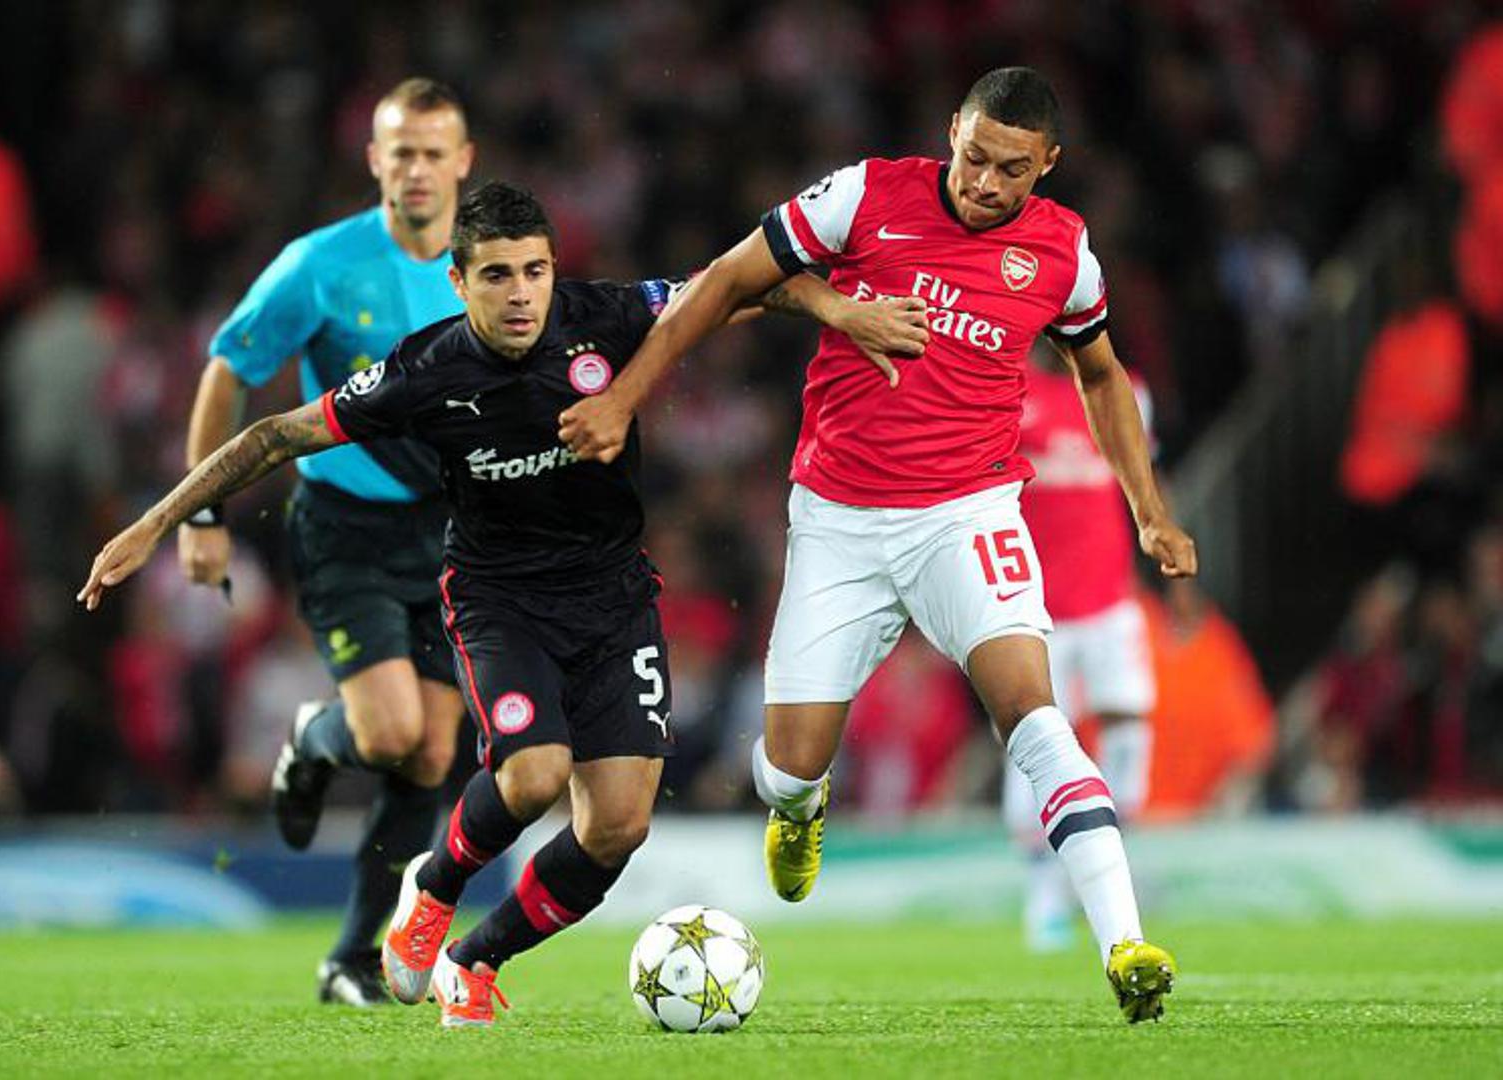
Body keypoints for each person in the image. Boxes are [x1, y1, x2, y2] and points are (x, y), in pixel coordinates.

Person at [81, 181, 926, 1026]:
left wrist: (840, 309)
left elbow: (743, 283)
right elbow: (275, 435)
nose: (521, 293)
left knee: (618, 827)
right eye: (496, 275)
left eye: (534, 271)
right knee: (533, 775)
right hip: (500, 599)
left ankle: (475, 959)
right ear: (459, 282)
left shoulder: (608, 315)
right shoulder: (424, 370)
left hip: (613, 596)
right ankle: (436, 884)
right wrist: (155, 524)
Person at [559, 66, 1198, 1023]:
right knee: (788, 764)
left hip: (968, 514)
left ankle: (1124, 945)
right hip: (839, 521)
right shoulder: (866, 195)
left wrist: (1147, 509)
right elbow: (731, 278)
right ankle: (799, 807)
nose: (985, 183)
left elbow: (1100, 374)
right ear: (952, 131)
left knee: (1034, 715)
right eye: (974, 158)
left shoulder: (1065, 253)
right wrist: (623, 398)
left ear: (1049, 165)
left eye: (1011, 170)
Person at [178, 78, 475, 1005]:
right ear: (374, 159)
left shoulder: (487, 268)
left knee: (432, 756)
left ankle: (351, 956)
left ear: (463, 162)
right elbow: (228, 369)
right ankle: (314, 737)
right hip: (346, 527)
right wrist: (201, 516)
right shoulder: (318, 265)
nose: (417, 169)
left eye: (433, 153)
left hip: (450, 534)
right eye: (401, 152)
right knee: (389, 733)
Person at [1004, 341, 1157, 952]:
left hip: (1111, 598)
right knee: (1040, 741)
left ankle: (1106, 869)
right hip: (1036, 607)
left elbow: (1142, 478)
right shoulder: (1006, 385)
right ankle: (1043, 894)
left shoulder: (1125, 388)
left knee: (1130, 731)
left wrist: (1161, 545)